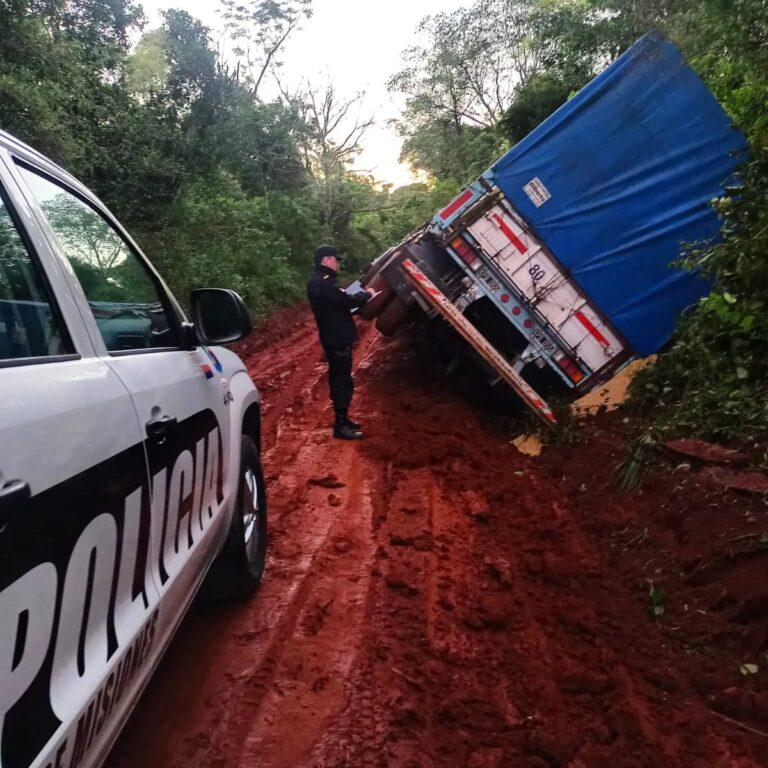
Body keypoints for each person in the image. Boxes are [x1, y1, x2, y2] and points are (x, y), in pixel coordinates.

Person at [307, 244, 372, 440]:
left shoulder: (320, 281)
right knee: (341, 381)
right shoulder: (321, 283)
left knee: (342, 380)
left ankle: (343, 419)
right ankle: (340, 425)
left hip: (335, 337)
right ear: (326, 260)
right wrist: (367, 295)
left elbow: (340, 300)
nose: (337, 264)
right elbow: (345, 301)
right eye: (335, 260)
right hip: (336, 338)